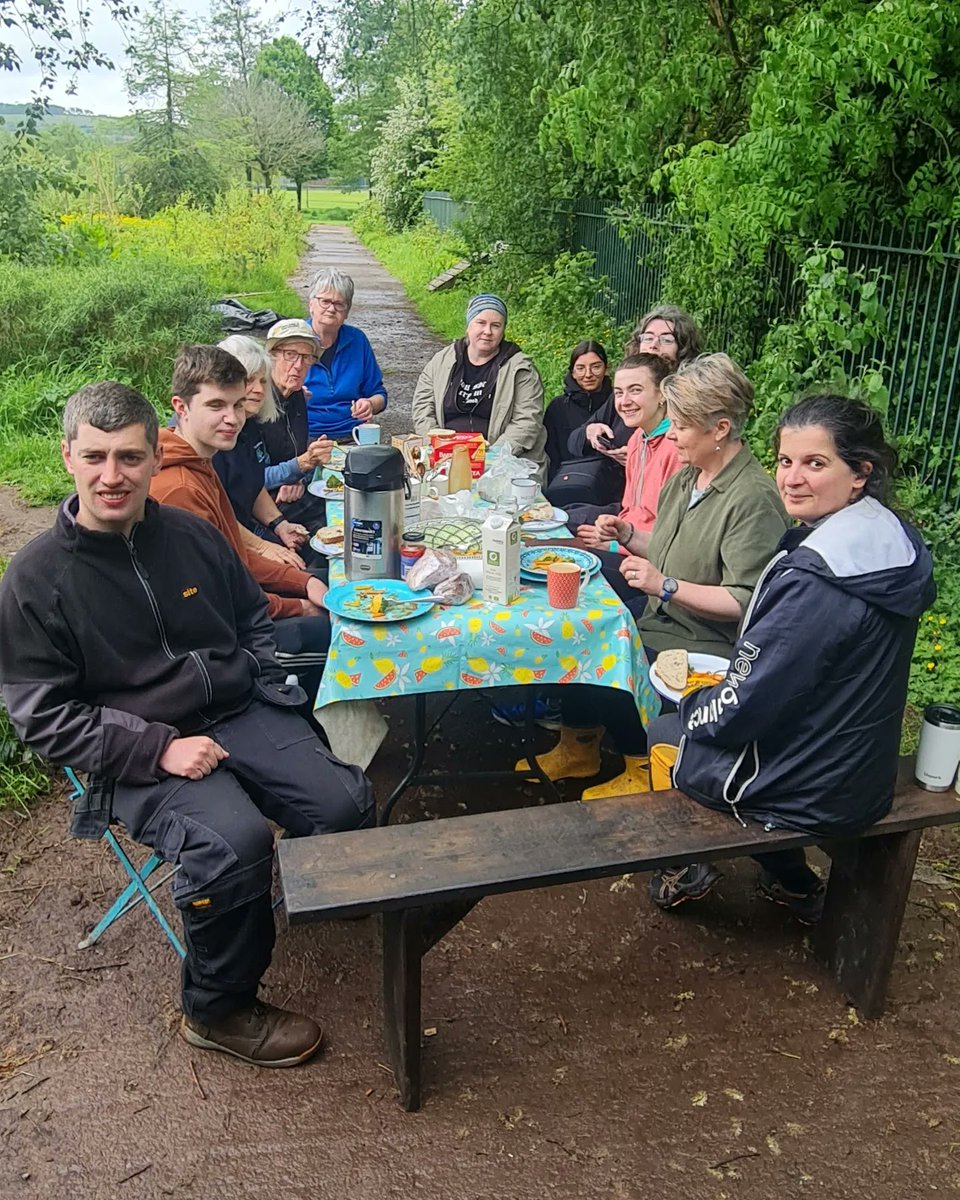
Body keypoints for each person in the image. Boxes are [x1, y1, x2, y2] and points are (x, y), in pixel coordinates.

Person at [0, 381, 373, 1068]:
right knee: (233, 844)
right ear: (67, 458)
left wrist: (264, 686)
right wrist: (157, 748)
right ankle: (217, 1009)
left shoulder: (194, 535)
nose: (112, 476)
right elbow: (41, 717)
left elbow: (251, 621)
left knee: (346, 801)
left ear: (153, 457)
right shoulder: (35, 580)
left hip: (237, 707)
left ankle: (309, 895)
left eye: (130, 458)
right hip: (138, 748)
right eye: (96, 457)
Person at [644, 394, 936, 916]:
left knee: (664, 732)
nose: (792, 478)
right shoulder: (886, 539)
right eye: (785, 460)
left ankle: (684, 867)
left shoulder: (819, 582)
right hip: (857, 765)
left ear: (859, 474)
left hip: (818, 785)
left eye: (815, 463)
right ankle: (791, 882)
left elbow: (745, 706)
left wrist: (690, 708)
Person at [517, 353, 789, 800]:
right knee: (578, 629)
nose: (672, 435)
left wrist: (665, 585)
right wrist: (626, 533)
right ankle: (579, 747)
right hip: (665, 616)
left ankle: (640, 765)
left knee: (611, 648)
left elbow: (746, 600)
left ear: (720, 429)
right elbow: (665, 547)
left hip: (707, 641)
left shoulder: (751, 499)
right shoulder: (690, 477)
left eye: (681, 425)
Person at [151, 344, 332, 698]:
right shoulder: (179, 489)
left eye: (236, 405)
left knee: (333, 584)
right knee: (345, 633)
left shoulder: (202, 460)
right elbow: (217, 599)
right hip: (221, 642)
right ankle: (311, 732)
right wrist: (299, 605)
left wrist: (302, 582)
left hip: (240, 607)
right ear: (181, 407)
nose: (232, 418)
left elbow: (233, 558)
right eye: (216, 406)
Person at [559, 305, 702, 509]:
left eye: (666, 339)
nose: (654, 345)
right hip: (609, 492)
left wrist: (641, 461)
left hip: (647, 509)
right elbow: (573, 442)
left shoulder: (688, 405)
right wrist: (590, 433)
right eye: (648, 337)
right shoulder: (624, 393)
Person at [412, 294, 547, 479]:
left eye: (496, 325)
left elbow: (527, 422)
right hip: (445, 456)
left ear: (503, 330)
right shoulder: (441, 361)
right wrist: (440, 447)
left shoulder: (521, 369)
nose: (487, 331)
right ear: (468, 326)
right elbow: (422, 409)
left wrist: (489, 458)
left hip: (502, 460)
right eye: (480, 323)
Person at [213, 334, 313, 569]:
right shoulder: (215, 436)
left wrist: (279, 524)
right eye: (249, 380)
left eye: (263, 381)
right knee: (306, 574)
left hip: (251, 525)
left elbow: (252, 482)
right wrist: (265, 546)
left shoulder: (248, 424)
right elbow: (216, 514)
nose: (258, 390)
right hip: (228, 544)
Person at [571, 353, 680, 549]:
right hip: (626, 540)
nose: (625, 401)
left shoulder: (675, 447)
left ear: (662, 393)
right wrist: (608, 533)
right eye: (619, 393)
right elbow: (629, 510)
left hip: (651, 559)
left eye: (635, 390)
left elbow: (671, 536)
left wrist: (614, 546)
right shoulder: (638, 438)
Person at [259, 318, 335, 530]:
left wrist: (298, 477)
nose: (299, 365)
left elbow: (295, 449)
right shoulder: (256, 402)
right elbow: (248, 476)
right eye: (290, 355)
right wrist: (303, 464)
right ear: (271, 356)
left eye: (306, 357)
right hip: (259, 505)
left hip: (292, 492)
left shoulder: (296, 396)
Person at [304, 268, 387, 441]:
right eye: (325, 301)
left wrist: (370, 404)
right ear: (311, 304)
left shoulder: (357, 341)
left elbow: (379, 394)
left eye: (339, 304)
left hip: (353, 435)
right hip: (304, 435)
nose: (331, 309)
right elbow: (273, 396)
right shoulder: (295, 341)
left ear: (347, 312)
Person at [543, 342, 619, 502]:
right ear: (573, 372)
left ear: (607, 368)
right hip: (566, 484)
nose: (588, 374)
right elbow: (550, 454)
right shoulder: (558, 407)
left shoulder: (618, 403)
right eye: (581, 368)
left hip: (610, 487)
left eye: (596, 366)